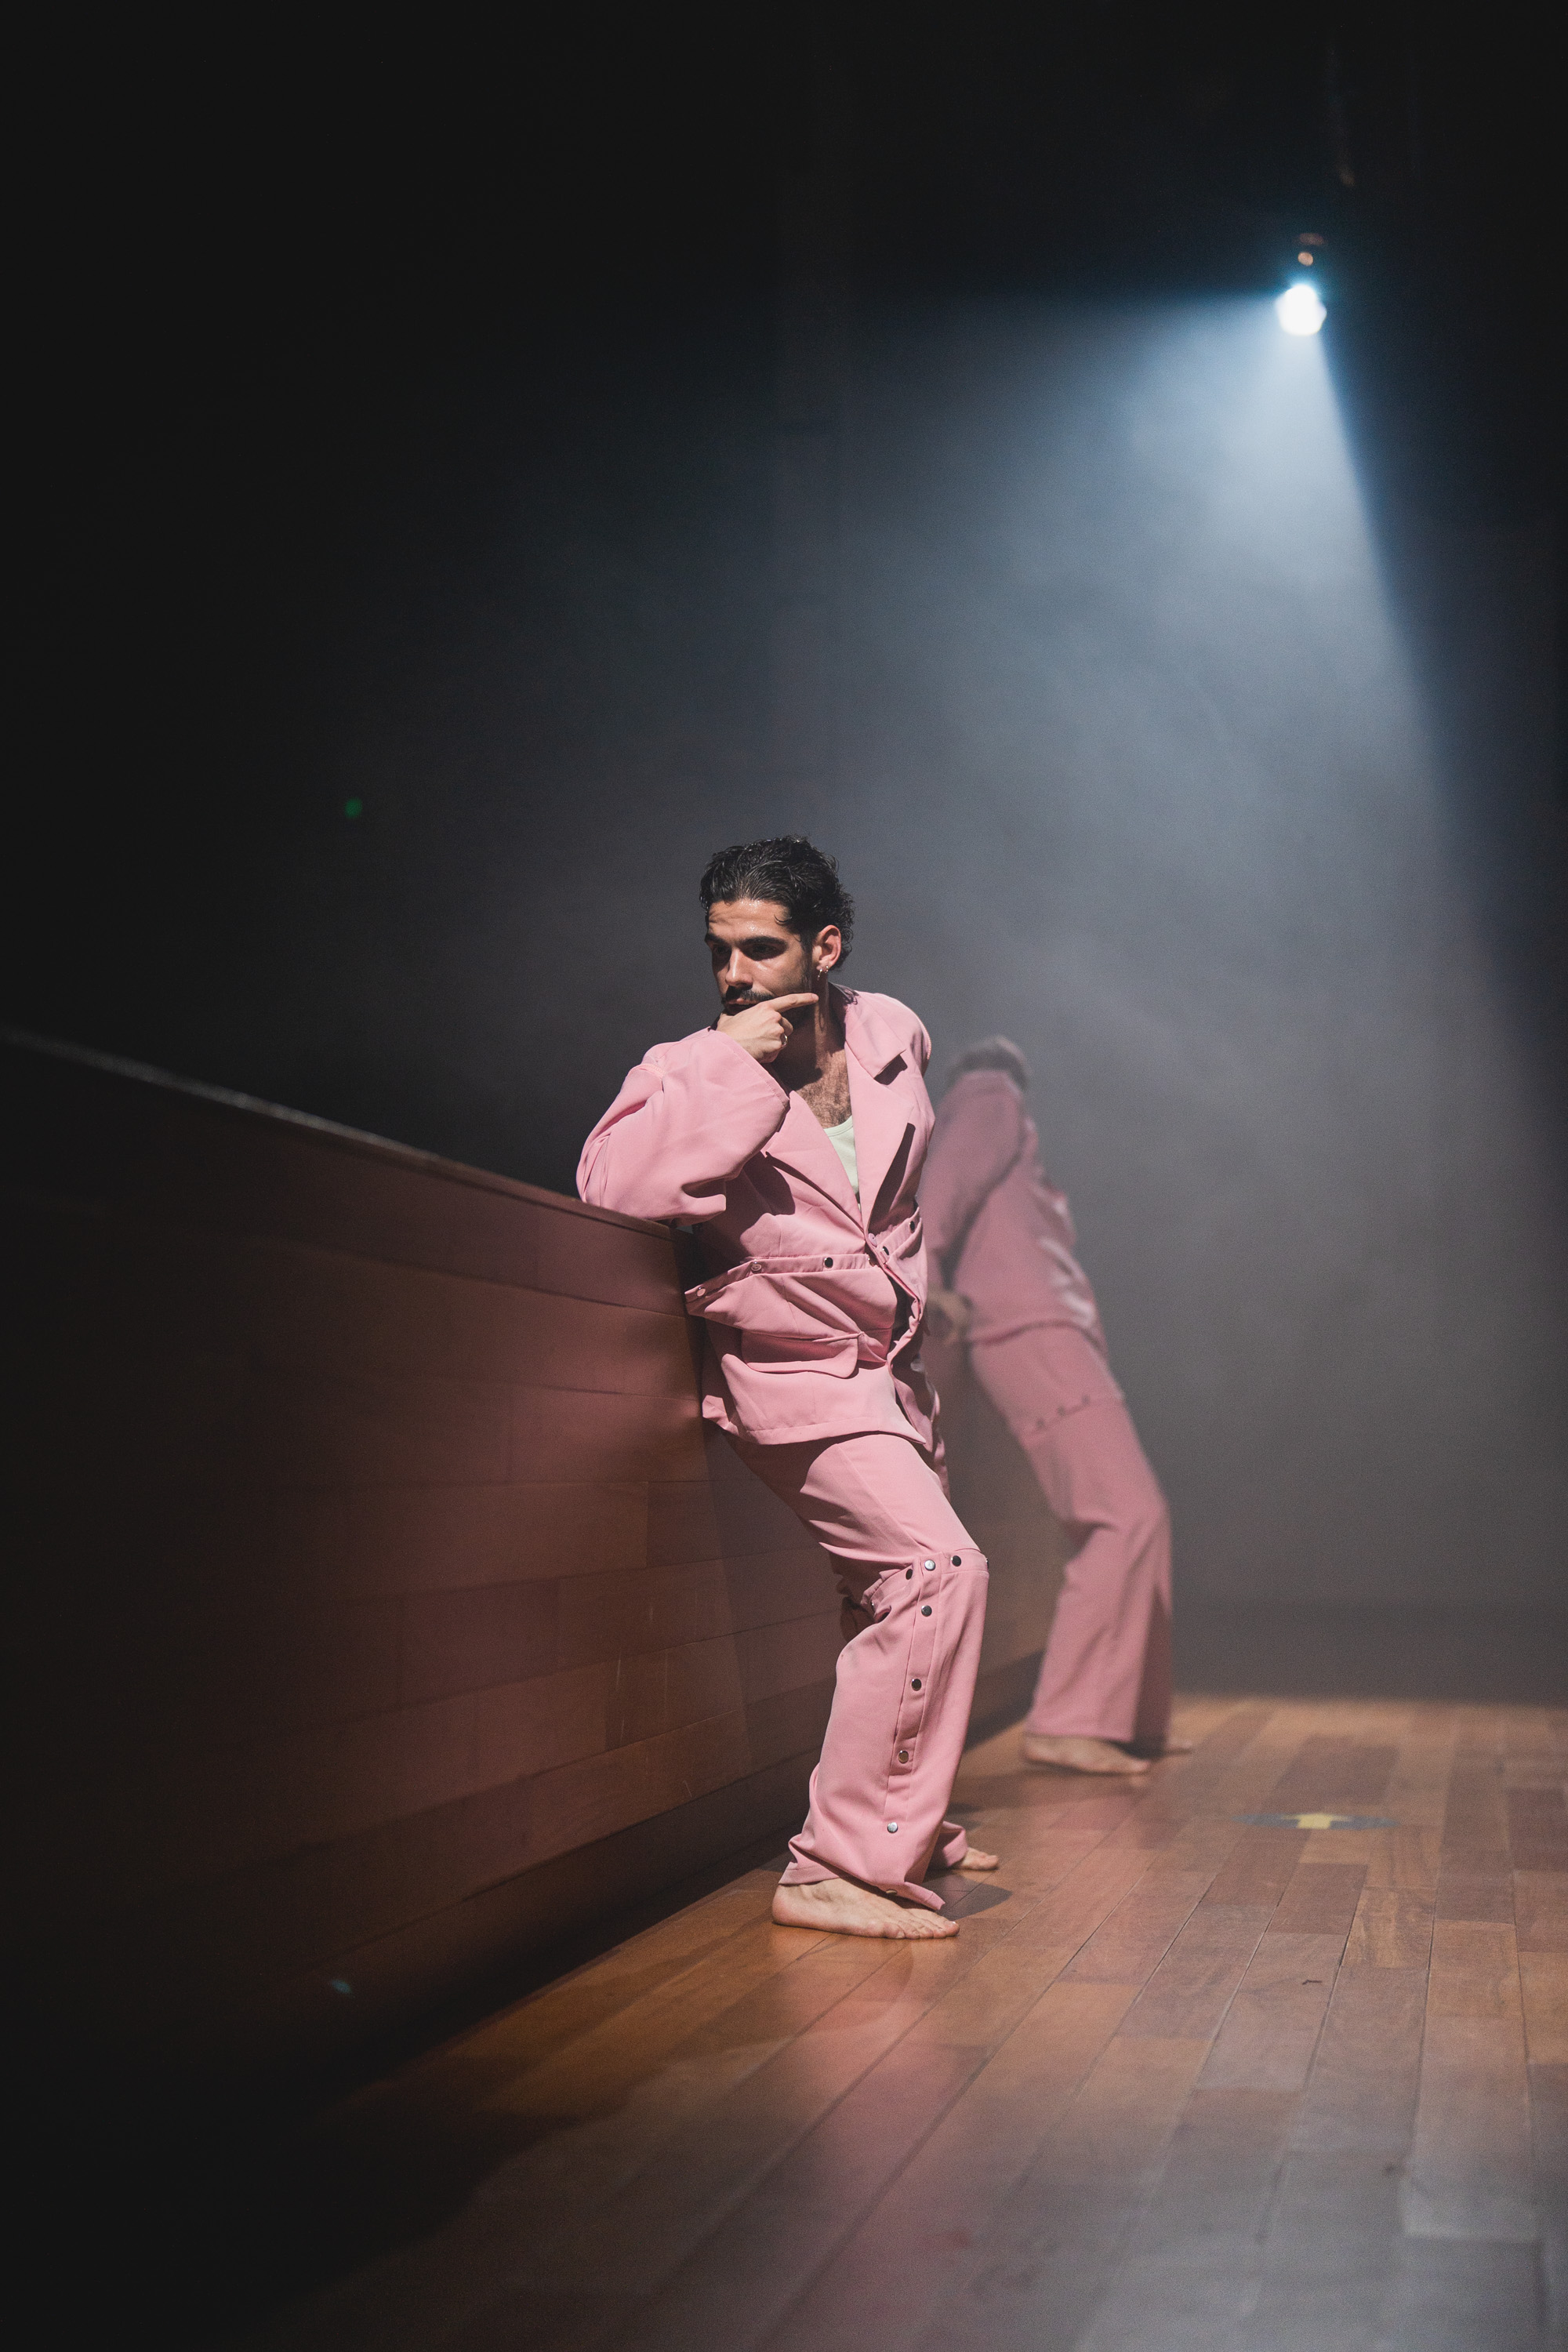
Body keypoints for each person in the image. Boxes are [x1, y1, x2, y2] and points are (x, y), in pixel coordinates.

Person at [579, 837, 997, 1937]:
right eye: (718, 951)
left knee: (881, 1596)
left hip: (893, 1372)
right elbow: (609, 1191)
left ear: (825, 946)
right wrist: (728, 1069)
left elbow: (894, 1202)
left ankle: (911, 1827)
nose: (733, 974)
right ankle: (837, 1869)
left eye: (760, 949)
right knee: (937, 1573)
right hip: (791, 1373)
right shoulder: (686, 1063)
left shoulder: (892, 1032)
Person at [922, 1037, 1184, 1776]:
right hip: (1031, 1328)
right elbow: (941, 1190)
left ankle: (1131, 1719)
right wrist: (928, 1280)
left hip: (1045, 1328)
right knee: (1127, 1515)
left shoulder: (1002, 1119)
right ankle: (1070, 1720)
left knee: (1137, 1519)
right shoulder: (990, 1093)